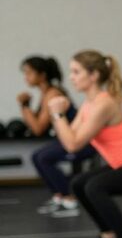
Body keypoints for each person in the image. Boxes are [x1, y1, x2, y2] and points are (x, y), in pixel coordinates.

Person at [49, 50, 122, 238]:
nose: (71, 77)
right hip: (120, 164)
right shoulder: (88, 104)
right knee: (78, 183)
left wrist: (57, 114)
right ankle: (108, 236)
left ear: (93, 75)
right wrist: (59, 116)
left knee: (94, 187)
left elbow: (73, 144)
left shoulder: (105, 104)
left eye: (76, 72)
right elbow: (69, 141)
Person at [19, 56, 95, 217]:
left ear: (42, 75)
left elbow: (38, 128)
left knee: (43, 158)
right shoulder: (46, 92)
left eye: (29, 73)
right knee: (37, 156)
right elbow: (37, 125)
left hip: (82, 142)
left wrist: (24, 106)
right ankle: (60, 196)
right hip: (67, 139)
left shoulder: (52, 94)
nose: (26, 77)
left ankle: (70, 198)